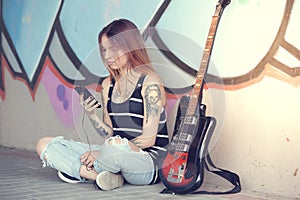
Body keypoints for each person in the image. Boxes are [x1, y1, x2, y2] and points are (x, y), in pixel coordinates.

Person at [35, 18, 169, 191]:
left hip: (147, 162)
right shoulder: (108, 85)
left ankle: (82, 171)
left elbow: (148, 139)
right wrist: (92, 116)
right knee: (45, 144)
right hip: (114, 153)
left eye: (113, 49)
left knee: (115, 148)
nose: (107, 56)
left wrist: (103, 154)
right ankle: (102, 177)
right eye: (104, 50)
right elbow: (110, 133)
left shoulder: (150, 83)